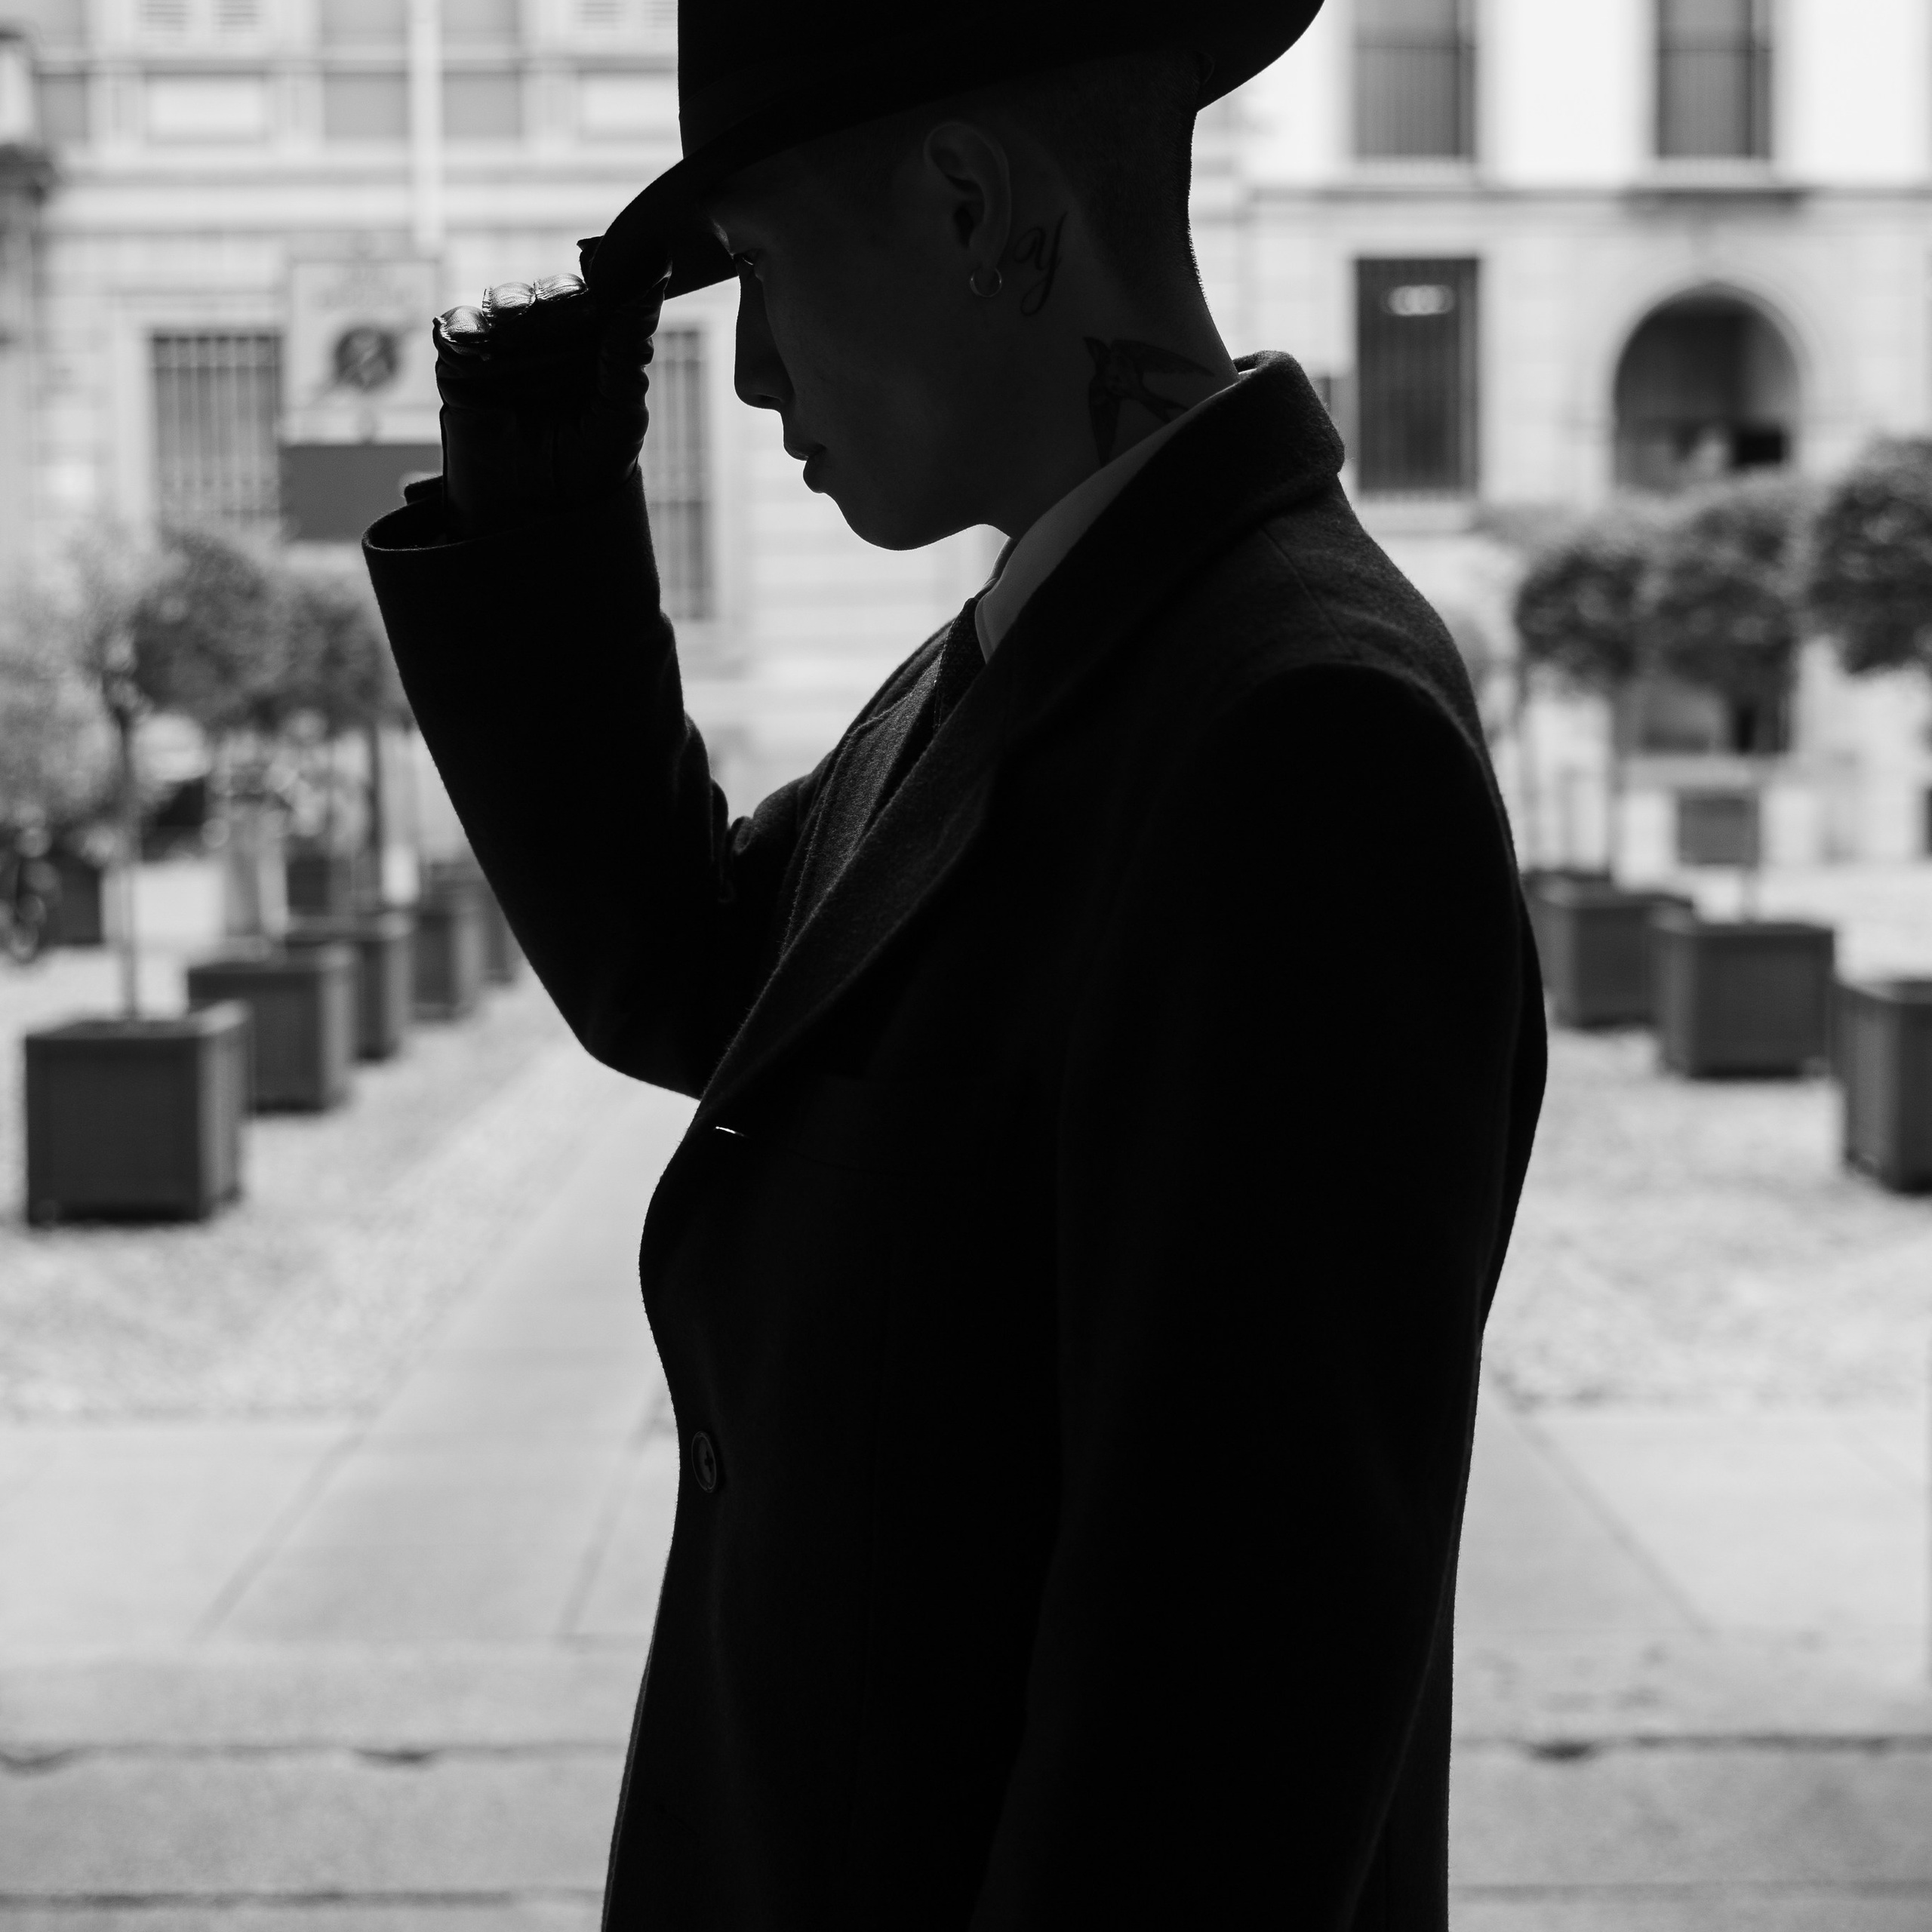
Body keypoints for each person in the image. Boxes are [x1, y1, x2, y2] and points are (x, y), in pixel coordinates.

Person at [363, 2, 1546, 1924]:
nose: (745, 374)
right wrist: (537, 482)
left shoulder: (1291, 732)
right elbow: (695, 968)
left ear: (979, 205)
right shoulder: (1073, 625)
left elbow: (1219, 1732)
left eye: (754, 270)